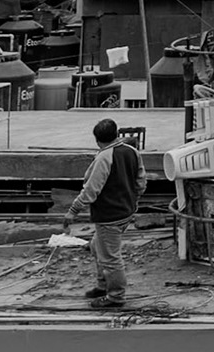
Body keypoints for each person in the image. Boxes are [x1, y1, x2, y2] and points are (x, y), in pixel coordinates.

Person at [64, 117, 146, 308]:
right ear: (116, 134)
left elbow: (92, 189)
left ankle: (116, 296)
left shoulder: (104, 157)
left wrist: (73, 211)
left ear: (97, 140)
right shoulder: (132, 151)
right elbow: (141, 181)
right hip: (125, 211)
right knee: (96, 247)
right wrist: (132, 200)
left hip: (110, 215)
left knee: (110, 258)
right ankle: (103, 284)